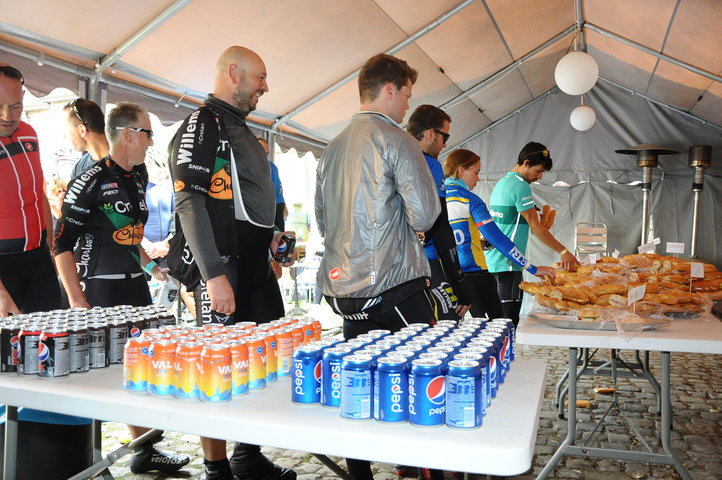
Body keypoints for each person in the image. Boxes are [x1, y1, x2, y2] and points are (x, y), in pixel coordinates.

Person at [167, 46, 297, 480]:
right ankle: (216, 467)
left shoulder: (239, 126)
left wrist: (274, 239)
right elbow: (189, 202)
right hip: (221, 271)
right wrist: (214, 276)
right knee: (218, 372)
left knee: (262, 361)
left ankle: (247, 453)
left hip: (253, 267)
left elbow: (246, 205)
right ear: (234, 74)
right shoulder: (202, 123)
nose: (265, 86)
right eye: (260, 77)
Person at [315, 53, 439, 480]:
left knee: (360, 386)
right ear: (390, 90)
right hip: (395, 285)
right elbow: (424, 215)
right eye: (406, 94)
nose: (407, 104)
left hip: (345, 293)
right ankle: (415, 470)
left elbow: (322, 220)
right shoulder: (398, 140)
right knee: (419, 382)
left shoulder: (331, 148)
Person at [53, 101, 190, 474]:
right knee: (96, 375)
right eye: (147, 132)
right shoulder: (90, 179)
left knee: (138, 369)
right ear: (128, 134)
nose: (150, 140)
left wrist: (146, 260)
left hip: (135, 288)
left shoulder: (141, 173)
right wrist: (77, 300)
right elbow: (60, 244)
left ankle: (145, 450)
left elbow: (125, 228)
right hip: (97, 291)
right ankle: (88, 458)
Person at [443, 149, 555, 319]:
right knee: (499, 332)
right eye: (476, 172)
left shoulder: (438, 196)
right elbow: (498, 238)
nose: (478, 178)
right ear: (460, 171)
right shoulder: (470, 199)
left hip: (448, 275)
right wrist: (532, 268)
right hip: (474, 274)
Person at [486, 142, 577, 325]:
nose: (540, 177)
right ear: (526, 163)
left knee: (498, 325)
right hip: (509, 264)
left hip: (495, 261)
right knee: (508, 325)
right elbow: (535, 227)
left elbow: (520, 225)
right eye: (538, 171)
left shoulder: (503, 182)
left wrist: (540, 227)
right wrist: (563, 251)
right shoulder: (520, 186)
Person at [0, 64, 61, 316]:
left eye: (15, 106)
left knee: (51, 344)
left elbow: (38, 191)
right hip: (3, 265)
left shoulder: (29, 133)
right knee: (7, 353)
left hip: (38, 258)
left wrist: (48, 242)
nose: (7, 115)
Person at [407, 104, 470, 322]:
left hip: (395, 267)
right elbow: (442, 226)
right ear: (431, 133)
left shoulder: (393, 157)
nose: (446, 144)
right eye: (445, 136)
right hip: (426, 262)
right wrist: (460, 285)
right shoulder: (430, 165)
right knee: (449, 324)